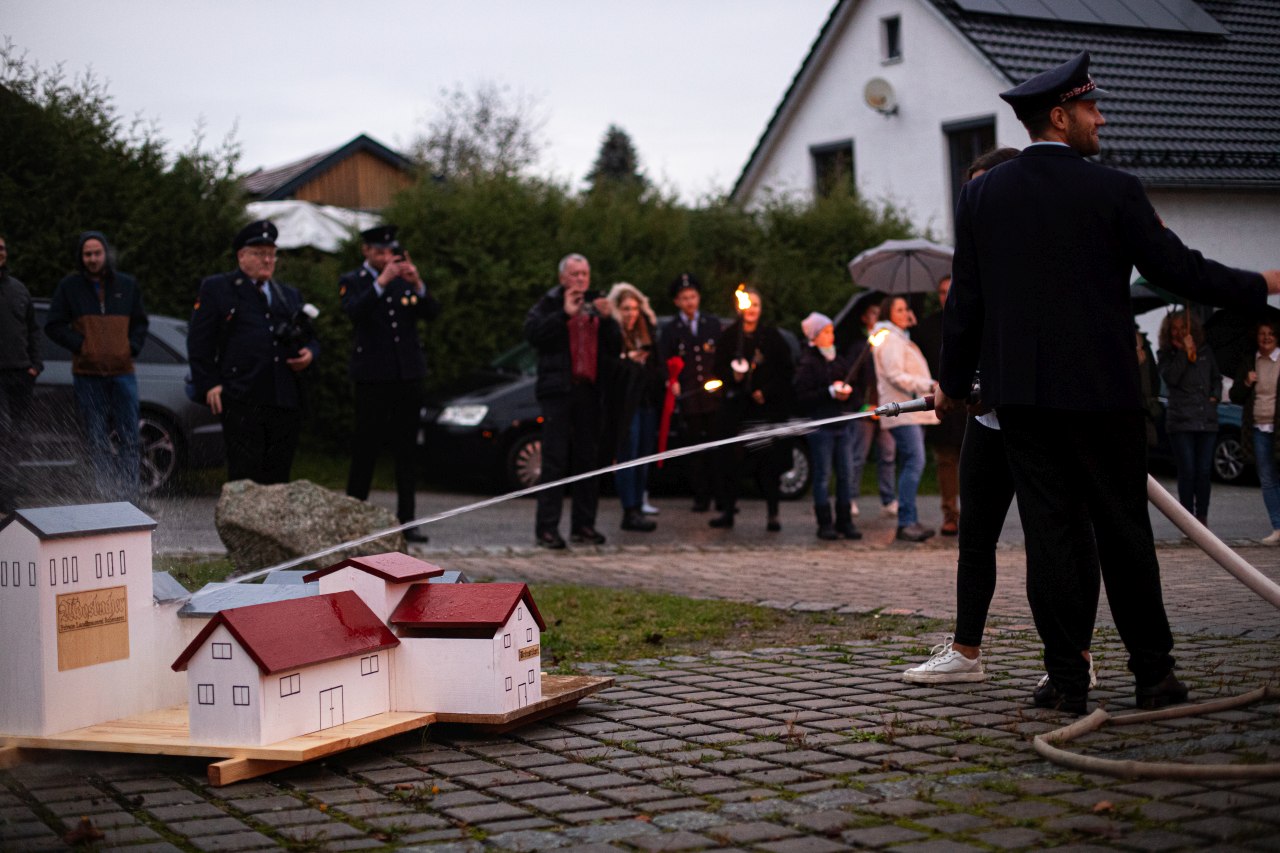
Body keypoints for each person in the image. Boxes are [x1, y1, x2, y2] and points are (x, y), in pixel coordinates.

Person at [938, 51, 1279, 714]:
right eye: (1092, 108)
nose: (1102, 118)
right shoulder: (1114, 190)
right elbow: (1180, 271)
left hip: (1025, 400)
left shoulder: (981, 195)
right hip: (1104, 394)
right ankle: (1154, 674)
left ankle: (1066, 680)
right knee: (1123, 531)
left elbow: (966, 303)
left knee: (1051, 536)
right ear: (1061, 116)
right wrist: (1261, 287)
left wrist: (954, 381)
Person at [905, 146, 1098, 688]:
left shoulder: (1043, 255)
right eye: (973, 195)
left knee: (1059, 539)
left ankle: (1074, 657)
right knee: (974, 536)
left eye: (987, 190)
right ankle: (966, 651)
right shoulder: (976, 265)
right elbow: (964, 332)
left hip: (1046, 421)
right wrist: (956, 386)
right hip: (988, 427)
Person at [188, 220, 319, 485]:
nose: (268, 260)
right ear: (241, 256)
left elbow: (311, 337)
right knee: (245, 475)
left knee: (278, 475)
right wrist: (209, 382)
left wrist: (309, 353)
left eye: (272, 254)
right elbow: (199, 341)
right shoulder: (218, 288)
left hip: (283, 396)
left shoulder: (288, 294)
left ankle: (274, 527)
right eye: (260, 253)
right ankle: (242, 528)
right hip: (242, 394)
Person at [340, 225, 441, 543]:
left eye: (391, 252)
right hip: (372, 377)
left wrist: (418, 283)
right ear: (367, 251)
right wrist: (381, 282)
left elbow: (432, 313)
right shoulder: (354, 281)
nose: (387, 258)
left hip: (407, 375)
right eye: (381, 252)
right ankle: (353, 518)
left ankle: (407, 520)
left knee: (406, 450)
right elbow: (354, 312)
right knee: (365, 447)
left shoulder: (403, 281)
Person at [524, 253, 621, 549]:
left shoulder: (597, 303)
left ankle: (584, 526)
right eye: (575, 274)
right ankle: (547, 530)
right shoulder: (549, 303)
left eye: (585, 274)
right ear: (562, 278)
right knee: (554, 460)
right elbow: (532, 334)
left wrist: (608, 320)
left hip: (589, 392)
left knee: (588, 461)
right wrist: (564, 315)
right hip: (558, 391)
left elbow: (615, 347)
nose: (581, 279)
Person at [45, 231, 148, 503]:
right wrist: (82, 345)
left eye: (97, 253)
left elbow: (140, 323)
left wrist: (131, 347)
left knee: (129, 436)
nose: (92, 259)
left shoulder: (127, 284)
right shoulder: (69, 287)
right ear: (81, 257)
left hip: (123, 373)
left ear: (105, 254)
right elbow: (53, 325)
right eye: (87, 254)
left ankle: (129, 495)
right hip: (88, 375)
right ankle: (103, 495)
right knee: (96, 438)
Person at [708, 287, 793, 531]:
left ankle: (773, 513)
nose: (752, 309)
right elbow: (718, 367)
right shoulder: (730, 336)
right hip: (736, 407)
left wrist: (765, 391)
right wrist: (731, 376)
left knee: (768, 462)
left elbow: (785, 371)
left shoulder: (770, 337)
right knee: (729, 461)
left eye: (756, 304)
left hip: (763, 409)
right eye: (748, 304)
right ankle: (727, 511)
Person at [794, 312, 867, 540]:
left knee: (846, 473)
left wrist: (848, 396)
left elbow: (854, 387)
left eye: (831, 331)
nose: (830, 335)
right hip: (821, 427)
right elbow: (801, 396)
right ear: (814, 337)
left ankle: (845, 521)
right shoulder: (808, 362)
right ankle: (825, 523)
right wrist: (828, 392)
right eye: (825, 332)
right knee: (822, 475)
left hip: (842, 424)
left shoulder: (839, 360)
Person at [873, 294, 936, 542]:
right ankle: (906, 521)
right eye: (899, 309)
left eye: (906, 308)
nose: (904, 313)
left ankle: (909, 519)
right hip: (901, 410)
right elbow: (895, 375)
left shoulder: (901, 338)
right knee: (915, 461)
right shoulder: (890, 339)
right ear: (888, 312)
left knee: (910, 462)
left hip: (908, 411)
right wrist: (928, 385)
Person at [657, 273, 722, 512]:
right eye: (684, 298)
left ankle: (721, 495)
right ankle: (700, 495)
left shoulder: (712, 324)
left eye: (693, 297)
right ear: (677, 302)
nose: (690, 302)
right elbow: (664, 360)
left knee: (718, 446)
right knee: (695, 448)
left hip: (713, 397)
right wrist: (670, 381)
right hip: (689, 398)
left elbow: (721, 355)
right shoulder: (671, 329)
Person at [1157, 310, 1221, 524]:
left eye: (1182, 328)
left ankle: (1202, 516)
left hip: (1205, 419)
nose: (1178, 332)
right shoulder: (1166, 354)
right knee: (1187, 470)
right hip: (1181, 421)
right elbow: (1172, 378)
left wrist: (1214, 396)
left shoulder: (1205, 351)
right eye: (1174, 329)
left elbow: (1215, 378)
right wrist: (1184, 352)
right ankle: (1187, 520)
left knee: (1203, 471)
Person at [911, 275, 963, 535]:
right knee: (945, 461)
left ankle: (976, 515)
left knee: (973, 461)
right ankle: (950, 514)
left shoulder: (971, 319)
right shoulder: (927, 327)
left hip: (968, 402)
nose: (946, 296)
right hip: (940, 400)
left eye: (950, 291)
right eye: (941, 292)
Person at [608, 282, 661, 533]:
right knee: (628, 456)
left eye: (634, 308)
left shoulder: (646, 333)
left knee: (644, 456)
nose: (630, 313)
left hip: (647, 402)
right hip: (626, 406)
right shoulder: (615, 335)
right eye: (626, 308)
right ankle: (629, 509)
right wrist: (629, 361)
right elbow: (611, 372)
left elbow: (657, 368)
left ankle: (639, 505)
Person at [0, 234, 42, 513]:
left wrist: (35, 365)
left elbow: (33, 330)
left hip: (20, 375)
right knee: (2, 432)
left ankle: (7, 492)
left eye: (2, 248)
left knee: (17, 436)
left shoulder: (18, 289)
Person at [1229, 320, 1280, 544]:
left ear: (1277, 337)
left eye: (1270, 334)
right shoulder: (1250, 362)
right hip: (1258, 427)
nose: (1266, 338)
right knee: (1267, 479)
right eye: (1262, 334)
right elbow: (1235, 396)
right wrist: (1246, 382)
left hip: (1278, 428)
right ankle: (1278, 527)